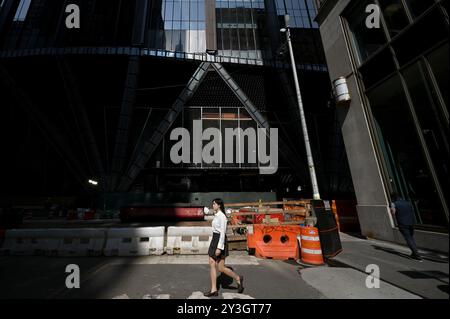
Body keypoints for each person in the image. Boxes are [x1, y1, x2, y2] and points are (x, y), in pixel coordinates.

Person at [204, 198, 244, 297]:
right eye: (212, 204)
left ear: (219, 205)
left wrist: (219, 248)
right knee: (212, 263)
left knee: (221, 268)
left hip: (219, 241)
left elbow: (222, 233)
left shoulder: (222, 217)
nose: (213, 205)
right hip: (215, 239)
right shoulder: (216, 215)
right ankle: (214, 290)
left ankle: (238, 278)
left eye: (214, 204)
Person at [390, 192, 422, 261]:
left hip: (402, 223)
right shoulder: (407, 203)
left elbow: (393, 212)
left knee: (408, 239)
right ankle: (414, 253)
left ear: (393, 198)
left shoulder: (394, 203)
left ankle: (417, 255)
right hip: (411, 222)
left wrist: (392, 209)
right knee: (411, 237)